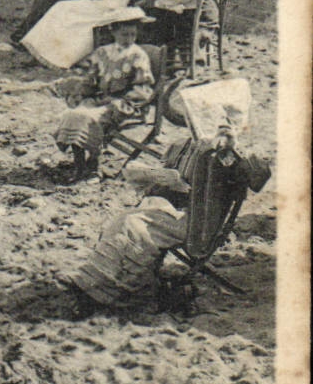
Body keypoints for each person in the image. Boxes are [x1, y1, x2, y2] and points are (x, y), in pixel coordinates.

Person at [62, 87, 269, 313]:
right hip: (169, 207)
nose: (193, 122)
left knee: (132, 226)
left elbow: (257, 179)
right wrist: (154, 175)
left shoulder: (224, 153)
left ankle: (103, 290)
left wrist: (234, 147)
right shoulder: (183, 146)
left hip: (197, 223)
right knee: (124, 220)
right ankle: (98, 281)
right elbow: (162, 175)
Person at [49, 11, 156, 181]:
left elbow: (142, 88)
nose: (129, 39)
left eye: (133, 35)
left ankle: (94, 167)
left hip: (125, 105)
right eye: (124, 34)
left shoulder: (138, 55)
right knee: (74, 114)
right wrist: (81, 93)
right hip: (100, 99)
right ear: (113, 32)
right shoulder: (102, 52)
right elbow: (90, 79)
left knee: (90, 118)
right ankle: (79, 165)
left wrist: (119, 102)